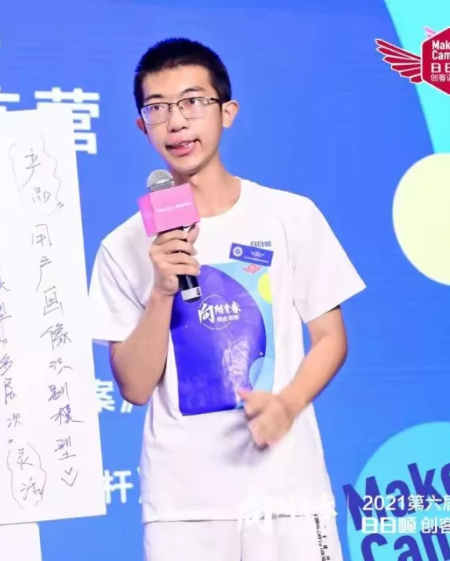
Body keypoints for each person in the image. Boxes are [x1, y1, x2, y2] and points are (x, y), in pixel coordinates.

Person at [87, 37, 366, 561]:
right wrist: (162, 290)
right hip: (183, 506)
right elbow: (135, 386)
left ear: (227, 112)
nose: (176, 122)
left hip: (288, 492)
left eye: (193, 101)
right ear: (142, 126)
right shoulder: (123, 246)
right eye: (157, 108)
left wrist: (286, 404)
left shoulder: (290, 216)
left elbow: (331, 338)